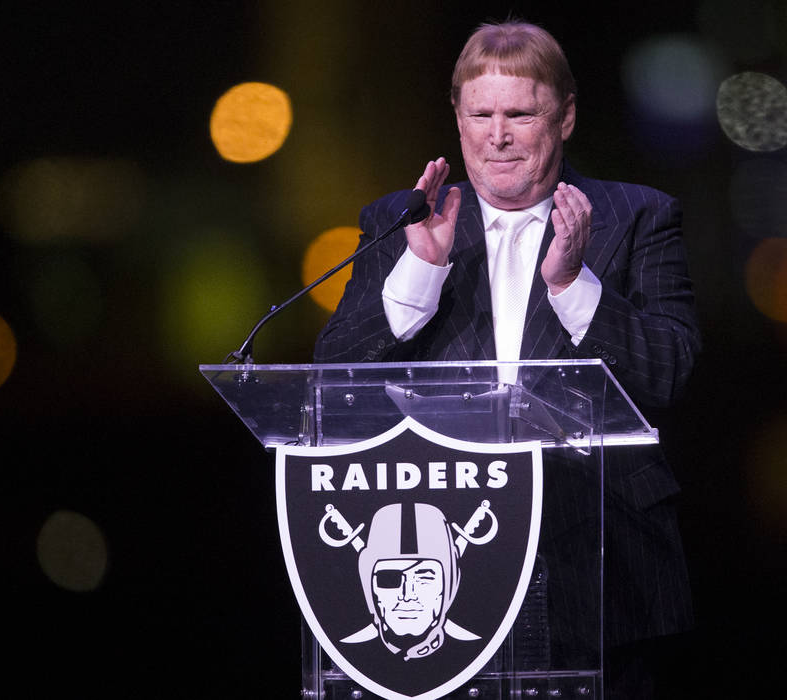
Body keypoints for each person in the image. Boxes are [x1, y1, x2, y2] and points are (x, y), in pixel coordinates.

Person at [315, 19, 701, 698]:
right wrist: (420, 270)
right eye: (481, 114)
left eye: (520, 113)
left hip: (605, 573)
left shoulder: (640, 217)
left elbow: (669, 372)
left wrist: (571, 286)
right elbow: (331, 381)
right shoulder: (399, 220)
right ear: (458, 118)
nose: (498, 135)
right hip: (449, 580)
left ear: (566, 117)